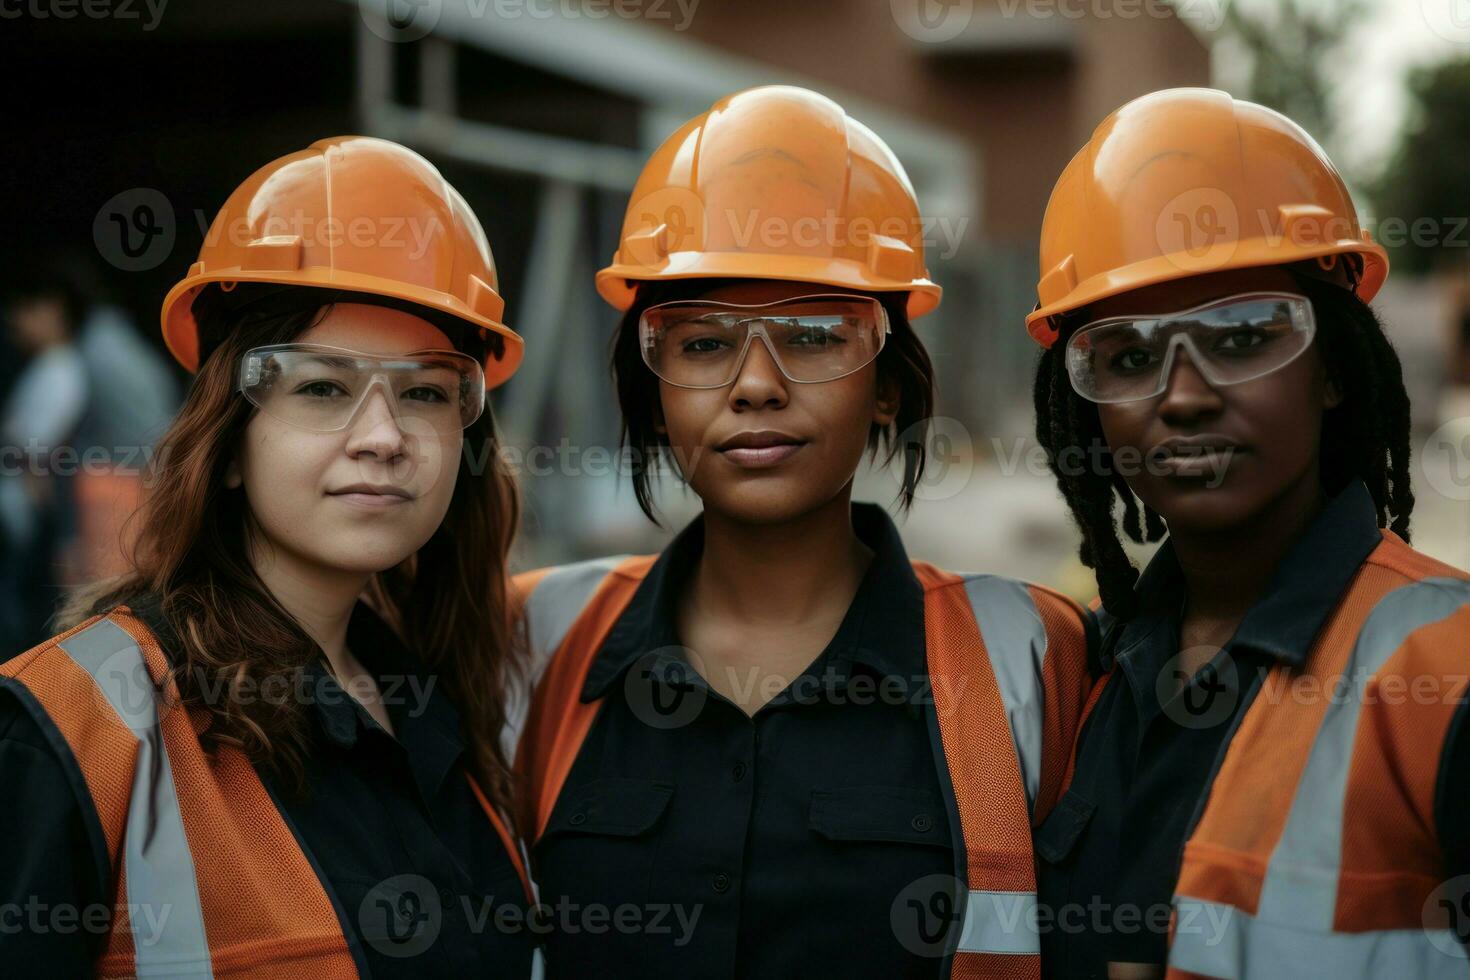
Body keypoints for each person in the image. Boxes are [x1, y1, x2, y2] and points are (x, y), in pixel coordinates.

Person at [509, 85, 1095, 979]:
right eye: (703, 343)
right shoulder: (530, 643)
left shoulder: (1031, 658)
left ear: (889, 385)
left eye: (816, 334)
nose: (755, 385)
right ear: (653, 388)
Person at [0, 136, 540, 977]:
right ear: (226, 436)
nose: (383, 438)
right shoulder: (71, 728)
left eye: (425, 391)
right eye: (321, 387)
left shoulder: (451, 704)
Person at [1026, 88, 1470, 978]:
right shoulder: (1078, 680)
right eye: (1129, 354)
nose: (1183, 395)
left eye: (1241, 336)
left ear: (1336, 370)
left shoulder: (1446, 676)